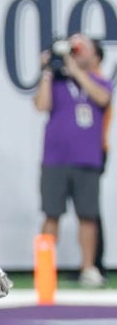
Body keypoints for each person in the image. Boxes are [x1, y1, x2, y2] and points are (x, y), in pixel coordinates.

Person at [34, 34, 112, 288]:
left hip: (87, 158)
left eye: (82, 49)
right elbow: (41, 105)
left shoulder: (99, 80)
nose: (77, 53)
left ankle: (88, 267)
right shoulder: (57, 83)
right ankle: (46, 268)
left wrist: (75, 69)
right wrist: (46, 72)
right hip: (55, 158)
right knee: (51, 213)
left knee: (88, 215)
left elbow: (102, 98)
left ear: (94, 54)